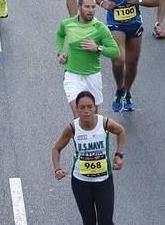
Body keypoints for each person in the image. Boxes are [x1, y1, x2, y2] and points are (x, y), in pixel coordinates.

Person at [92, 0, 160, 112]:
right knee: (118, 60)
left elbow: (156, 0)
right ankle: (119, 88)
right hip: (114, 23)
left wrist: (139, 0)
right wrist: (103, 3)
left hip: (134, 24)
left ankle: (127, 92)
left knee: (131, 63)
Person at [52, 90, 125, 225]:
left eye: (89, 107)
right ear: (77, 110)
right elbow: (56, 149)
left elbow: (121, 131)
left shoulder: (104, 123)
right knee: (89, 221)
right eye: (82, 108)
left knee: (105, 222)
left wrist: (118, 155)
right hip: (81, 182)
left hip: (103, 180)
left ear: (95, 108)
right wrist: (57, 169)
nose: (86, 111)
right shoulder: (72, 128)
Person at [56, 0, 120, 113]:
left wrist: (97, 48)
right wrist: (60, 53)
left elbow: (115, 52)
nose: (91, 10)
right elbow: (60, 34)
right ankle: (79, 132)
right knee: (79, 113)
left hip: (92, 76)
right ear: (79, 7)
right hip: (72, 75)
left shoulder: (100, 29)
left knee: (92, 117)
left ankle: (98, 131)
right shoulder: (67, 24)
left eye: (93, 7)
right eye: (87, 7)